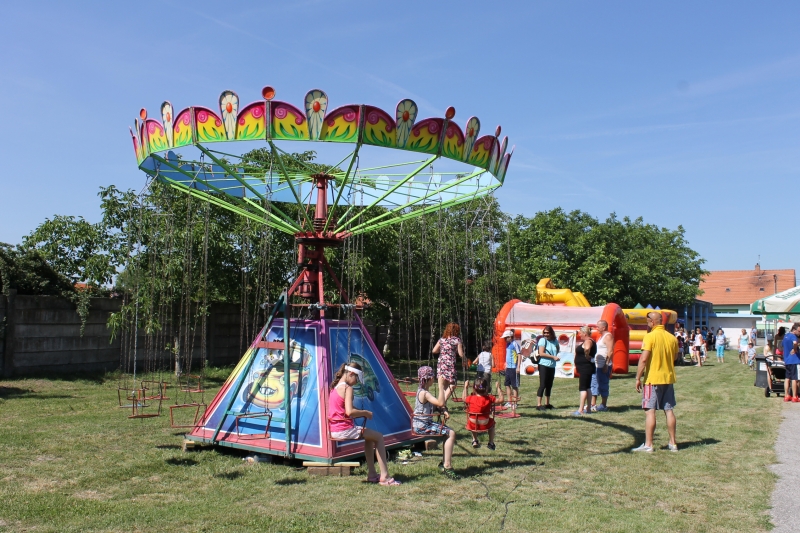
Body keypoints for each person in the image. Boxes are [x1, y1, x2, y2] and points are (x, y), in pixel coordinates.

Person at [328, 362, 400, 485]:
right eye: (357, 379)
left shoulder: (335, 388)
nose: (356, 382)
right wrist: (365, 413)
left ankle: (372, 474)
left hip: (334, 429)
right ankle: (385, 476)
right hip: (344, 429)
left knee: (370, 438)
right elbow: (350, 412)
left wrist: (361, 412)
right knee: (379, 437)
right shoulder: (348, 388)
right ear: (351, 373)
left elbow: (344, 409)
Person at [633, 312, 680, 453]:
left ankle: (648, 445)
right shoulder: (672, 338)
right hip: (668, 378)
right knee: (669, 410)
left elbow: (643, 359)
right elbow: (675, 357)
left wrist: (638, 378)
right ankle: (673, 443)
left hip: (653, 379)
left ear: (652, 322)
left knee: (650, 411)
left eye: (647, 321)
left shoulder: (650, 336)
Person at [412, 366, 459, 479]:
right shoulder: (424, 393)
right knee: (450, 433)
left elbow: (436, 406)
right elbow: (440, 402)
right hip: (422, 426)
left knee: (448, 433)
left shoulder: (424, 391)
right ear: (429, 379)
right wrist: (441, 386)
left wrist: (443, 410)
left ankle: (445, 463)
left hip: (423, 423)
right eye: (433, 377)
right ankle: (447, 466)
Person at [462, 377, 504, 449]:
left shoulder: (471, 398)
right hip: (485, 423)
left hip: (473, 424)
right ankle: (491, 442)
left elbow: (464, 398)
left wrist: (465, 387)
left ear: (474, 388)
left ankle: (475, 440)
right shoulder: (489, 398)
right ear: (486, 388)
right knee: (492, 424)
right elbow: (501, 400)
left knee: (472, 421)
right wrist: (498, 388)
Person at [432, 323, 464, 404]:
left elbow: (434, 350)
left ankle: (441, 404)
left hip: (441, 363)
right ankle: (441, 403)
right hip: (450, 364)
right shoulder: (457, 340)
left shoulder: (442, 339)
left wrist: (443, 351)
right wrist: (465, 358)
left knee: (443, 385)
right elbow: (461, 354)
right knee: (452, 384)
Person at [572, 326, 596, 416]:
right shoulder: (590, 340)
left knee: (583, 388)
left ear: (585, 334)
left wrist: (587, 355)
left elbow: (587, 348)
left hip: (585, 368)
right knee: (587, 387)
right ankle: (588, 408)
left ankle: (580, 409)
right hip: (586, 367)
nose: (580, 335)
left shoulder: (588, 341)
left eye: (581, 333)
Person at [591, 320, 614, 412]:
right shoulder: (601, 337)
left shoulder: (608, 336)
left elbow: (610, 351)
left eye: (598, 326)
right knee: (594, 384)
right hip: (597, 365)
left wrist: (606, 364)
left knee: (603, 384)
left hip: (603, 365)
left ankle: (603, 405)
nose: (597, 328)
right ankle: (593, 404)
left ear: (603, 327)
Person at [536, 325, 560, 410]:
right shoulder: (542, 340)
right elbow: (541, 353)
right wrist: (553, 357)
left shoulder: (554, 341)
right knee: (543, 385)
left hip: (552, 365)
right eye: (544, 333)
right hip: (543, 365)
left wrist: (555, 355)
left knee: (549, 385)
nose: (546, 334)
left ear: (551, 333)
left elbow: (557, 348)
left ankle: (547, 404)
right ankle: (539, 405)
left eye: (548, 333)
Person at [501, 329, 521, 409]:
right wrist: (506, 364)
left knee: (514, 386)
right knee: (507, 385)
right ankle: (509, 402)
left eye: (506, 338)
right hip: (508, 368)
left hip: (514, 368)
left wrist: (518, 367)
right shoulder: (507, 344)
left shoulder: (515, 344)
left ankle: (515, 403)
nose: (504, 339)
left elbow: (519, 355)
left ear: (510, 337)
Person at [781, 323, 800, 403]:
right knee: (794, 378)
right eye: (799, 331)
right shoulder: (793, 336)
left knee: (787, 378)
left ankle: (786, 395)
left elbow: (781, 345)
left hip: (787, 360)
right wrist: (795, 349)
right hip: (794, 360)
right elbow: (795, 343)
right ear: (794, 330)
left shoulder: (786, 336)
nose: (799, 333)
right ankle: (794, 396)